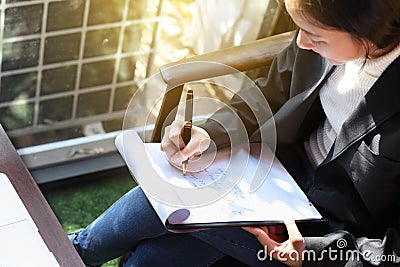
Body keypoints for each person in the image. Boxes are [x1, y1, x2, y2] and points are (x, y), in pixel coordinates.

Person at [68, 0, 400, 266]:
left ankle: (72, 253)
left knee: (174, 200)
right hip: (281, 172)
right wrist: (209, 133)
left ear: (366, 29)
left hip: (330, 234)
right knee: (154, 258)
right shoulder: (319, 30)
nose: (300, 41)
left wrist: (314, 253)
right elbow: (273, 93)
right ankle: (74, 252)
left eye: (315, 36)